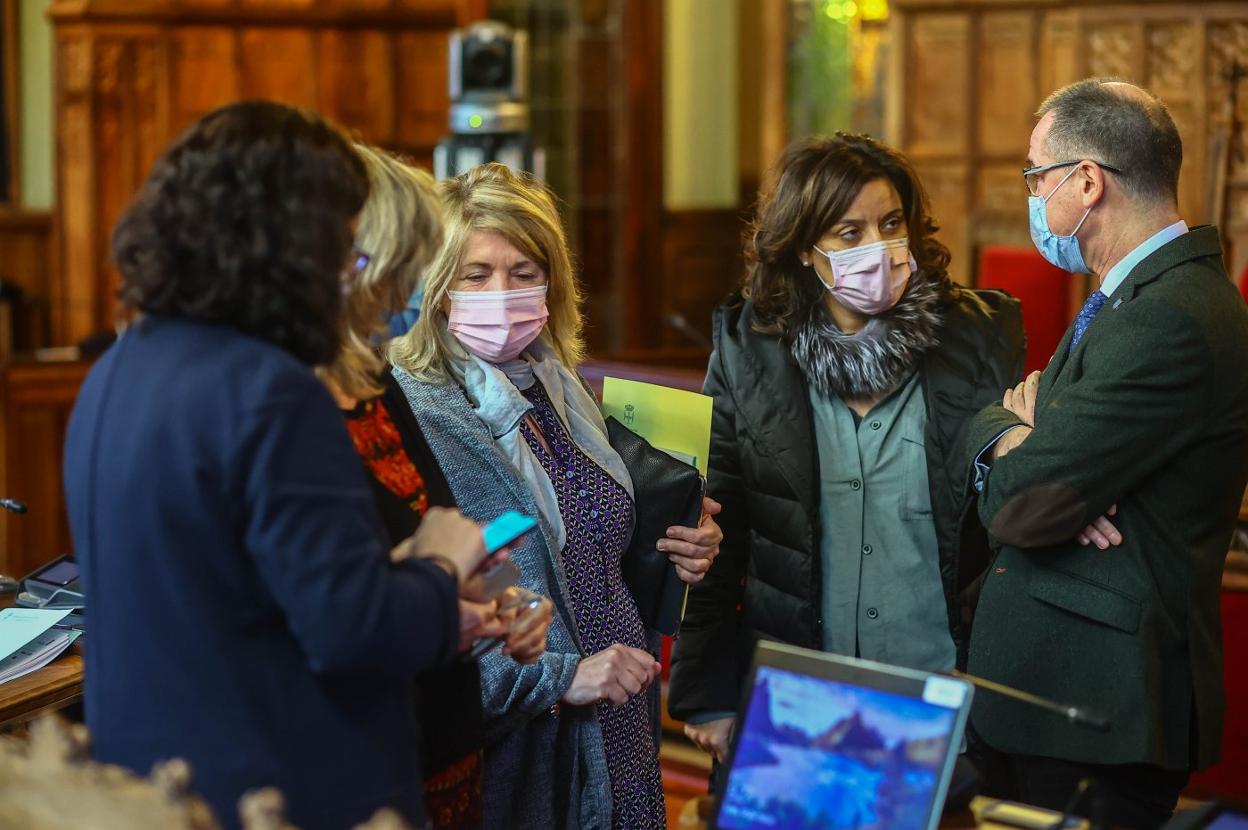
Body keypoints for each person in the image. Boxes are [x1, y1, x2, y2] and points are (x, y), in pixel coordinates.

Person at [63, 102, 492, 830]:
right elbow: (356, 632)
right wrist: (438, 565)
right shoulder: (270, 390)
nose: (349, 274)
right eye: (345, 249)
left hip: (147, 788)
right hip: (278, 793)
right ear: (289, 245)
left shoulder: (117, 370)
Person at [667, 133, 1027, 765]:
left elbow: (1011, 509)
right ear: (807, 248)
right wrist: (707, 691)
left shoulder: (979, 339)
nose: (878, 249)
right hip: (799, 693)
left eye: (891, 225)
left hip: (941, 694)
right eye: (848, 232)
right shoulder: (750, 352)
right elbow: (715, 526)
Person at [388, 162, 724, 829]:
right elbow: (423, 623)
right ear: (437, 289)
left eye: (523, 273)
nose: (502, 294)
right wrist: (565, 679)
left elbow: (598, 533)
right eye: (477, 274)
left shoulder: (557, 386)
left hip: (621, 715)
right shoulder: (414, 411)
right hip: (528, 739)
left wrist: (686, 539)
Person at [958, 79, 1248, 829]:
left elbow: (1020, 503)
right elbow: (1013, 430)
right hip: (1055, 697)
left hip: (1093, 708)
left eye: (1036, 175)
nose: (1032, 196)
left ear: (1086, 180)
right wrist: (1029, 443)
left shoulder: (1170, 317)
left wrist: (1035, 452)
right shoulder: (1133, 299)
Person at [320, 143, 554, 830]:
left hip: (444, 730)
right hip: (363, 752)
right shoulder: (290, 405)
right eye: (405, 268)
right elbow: (333, 609)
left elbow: (439, 528)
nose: (408, 296)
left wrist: (501, 599)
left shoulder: (376, 376)